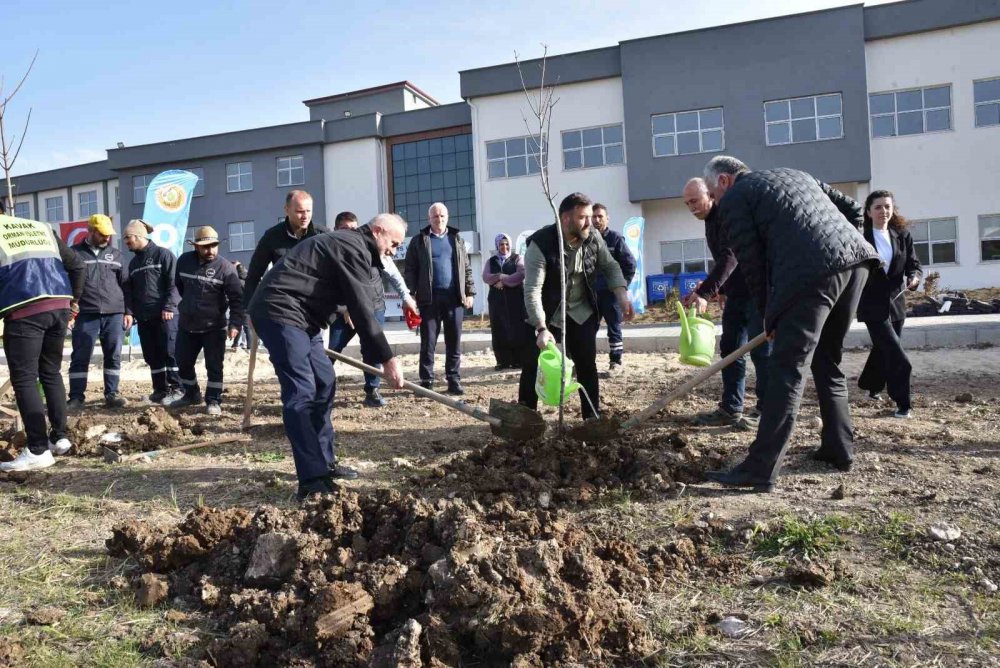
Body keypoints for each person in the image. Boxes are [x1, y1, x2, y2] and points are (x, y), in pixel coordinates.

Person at [701, 156, 879, 493]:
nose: (715, 201)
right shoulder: (796, 173)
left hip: (811, 275)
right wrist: (843, 248)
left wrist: (770, 315)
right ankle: (838, 450)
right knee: (827, 361)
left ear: (724, 181)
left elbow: (751, 263)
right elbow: (855, 209)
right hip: (857, 264)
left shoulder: (736, 199)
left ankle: (760, 468)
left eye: (713, 192)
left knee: (787, 369)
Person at [248, 214, 407, 499]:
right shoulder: (352, 246)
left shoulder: (358, 248)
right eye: (393, 243)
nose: (393, 251)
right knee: (301, 392)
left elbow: (358, 303)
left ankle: (324, 463)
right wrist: (388, 360)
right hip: (280, 310)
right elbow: (362, 311)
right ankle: (311, 480)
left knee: (324, 381)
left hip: (304, 319)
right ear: (378, 230)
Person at [520, 192, 635, 420]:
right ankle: (525, 416)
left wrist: (622, 294)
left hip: (582, 311)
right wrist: (541, 328)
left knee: (586, 365)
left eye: (591, 217)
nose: (590, 223)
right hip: (548, 313)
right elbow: (532, 289)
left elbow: (610, 266)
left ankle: (591, 417)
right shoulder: (541, 244)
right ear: (565, 219)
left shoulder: (592, 236)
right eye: (583, 217)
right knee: (533, 365)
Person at [680, 178, 771, 428]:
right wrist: (719, 288)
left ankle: (767, 411)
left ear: (710, 194)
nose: (692, 208)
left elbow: (731, 256)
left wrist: (706, 293)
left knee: (761, 352)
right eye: (687, 204)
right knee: (730, 351)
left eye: (695, 201)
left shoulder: (727, 214)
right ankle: (731, 408)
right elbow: (725, 261)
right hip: (737, 295)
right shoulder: (710, 221)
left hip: (757, 292)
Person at [0, 214, 85, 472]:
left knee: (24, 378)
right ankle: (59, 437)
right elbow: (78, 265)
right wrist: (74, 302)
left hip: (24, 309)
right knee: (50, 372)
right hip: (59, 306)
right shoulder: (41, 227)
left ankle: (37, 449)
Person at [328, 212, 418, 408]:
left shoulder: (378, 251)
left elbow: (395, 276)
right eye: (345, 230)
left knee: (372, 349)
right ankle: (320, 389)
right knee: (333, 350)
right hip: (344, 312)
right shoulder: (337, 252)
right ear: (336, 231)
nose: (350, 235)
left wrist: (406, 297)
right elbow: (333, 285)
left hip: (374, 306)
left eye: (353, 229)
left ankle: (372, 390)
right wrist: (345, 308)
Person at [856, 190, 922, 418]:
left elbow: (914, 264)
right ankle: (904, 404)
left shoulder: (902, 234)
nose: (883, 211)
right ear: (868, 212)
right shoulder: (860, 237)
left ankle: (871, 385)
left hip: (897, 304)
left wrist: (914, 277)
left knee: (883, 349)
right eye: (878, 207)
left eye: (887, 206)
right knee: (897, 356)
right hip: (872, 306)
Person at [170, 226, 243, 415]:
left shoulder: (226, 268)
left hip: (214, 327)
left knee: (214, 365)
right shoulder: (184, 262)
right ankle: (191, 394)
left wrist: (235, 324)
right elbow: (179, 287)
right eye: (205, 247)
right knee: (183, 362)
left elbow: (237, 299)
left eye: (213, 246)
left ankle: (213, 400)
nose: (210, 251)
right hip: (187, 325)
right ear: (195, 247)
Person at [404, 203, 475, 395]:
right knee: (428, 342)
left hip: (454, 298)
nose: (439, 219)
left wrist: (470, 292)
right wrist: (409, 293)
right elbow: (410, 269)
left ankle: (453, 379)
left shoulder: (456, 239)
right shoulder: (419, 241)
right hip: (429, 299)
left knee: (454, 341)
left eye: (442, 215)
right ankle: (426, 381)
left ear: (447, 217)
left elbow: (466, 269)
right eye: (435, 216)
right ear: (429, 219)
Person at [66, 214, 132, 410]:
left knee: (113, 355)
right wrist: (67, 312)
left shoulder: (117, 255)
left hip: (114, 313)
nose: (107, 238)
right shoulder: (74, 254)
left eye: (109, 234)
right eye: (102, 234)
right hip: (86, 313)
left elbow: (127, 285)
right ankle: (76, 397)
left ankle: (112, 395)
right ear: (91, 231)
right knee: (80, 355)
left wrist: (128, 312)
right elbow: (65, 284)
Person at [123, 219, 183, 404]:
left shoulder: (163, 255)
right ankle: (160, 390)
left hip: (166, 315)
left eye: (128, 238)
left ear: (139, 236)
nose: (126, 242)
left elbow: (174, 283)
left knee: (170, 352)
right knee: (152, 355)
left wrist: (169, 306)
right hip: (145, 317)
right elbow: (130, 291)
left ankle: (178, 389)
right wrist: (130, 312)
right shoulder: (133, 263)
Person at [242, 190, 320, 310]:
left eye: (308, 211)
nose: (305, 216)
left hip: (317, 306)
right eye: (299, 211)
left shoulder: (322, 236)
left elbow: (339, 271)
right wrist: (249, 310)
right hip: (286, 307)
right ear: (286, 210)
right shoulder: (271, 237)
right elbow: (253, 276)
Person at [591, 204, 636, 374]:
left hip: (611, 295)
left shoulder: (615, 239)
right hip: (591, 294)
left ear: (607, 218)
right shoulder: (586, 240)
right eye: (594, 216)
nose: (597, 220)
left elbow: (629, 265)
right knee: (587, 330)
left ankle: (615, 361)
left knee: (614, 328)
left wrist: (621, 288)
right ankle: (585, 362)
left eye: (600, 216)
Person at [482, 233, 532, 370]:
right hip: (496, 302)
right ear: (497, 246)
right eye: (501, 244)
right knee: (499, 329)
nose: (504, 247)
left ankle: (518, 360)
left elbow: (521, 274)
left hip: (515, 300)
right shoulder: (491, 261)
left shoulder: (517, 259)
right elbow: (486, 277)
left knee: (517, 329)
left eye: (506, 244)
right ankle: (502, 361)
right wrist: (500, 276)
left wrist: (503, 281)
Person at [231, 261, 250, 350]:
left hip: (240, 304)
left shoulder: (237, 279)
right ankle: (249, 345)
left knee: (239, 325)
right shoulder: (248, 277)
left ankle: (235, 344)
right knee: (246, 326)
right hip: (248, 304)